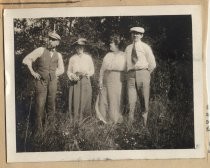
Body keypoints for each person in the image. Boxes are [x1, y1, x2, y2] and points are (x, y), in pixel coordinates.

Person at [22, 31, 64, 136]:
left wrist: (54, 74)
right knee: (40, 105)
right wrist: (33, 72)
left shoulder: (58, 55)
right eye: (49, 39)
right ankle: (38, 132)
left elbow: (62, 69)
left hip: (53, 82)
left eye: (53, 40)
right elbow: (26, 59)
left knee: (51, 105)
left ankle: (50, 130)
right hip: (41, 82)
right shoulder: (40, 50)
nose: (50, 41)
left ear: (57, 43)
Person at [125, 27, 156, 127]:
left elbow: (152, 63)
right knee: (131, 101)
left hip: (143, 74)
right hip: (131, 75)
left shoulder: (145, 47)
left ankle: (144, 125)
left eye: (138, 33)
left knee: (144, 100)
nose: (135, 35)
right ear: (131, 34)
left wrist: (146, 74)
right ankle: (130, 126)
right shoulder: (128, 48)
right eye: (133, 33)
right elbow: (125, 63)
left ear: (142, 35)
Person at [95, 35, 126, 124]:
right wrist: (100, 80)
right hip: (106, 79)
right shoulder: (108, 55)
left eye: (111, 42)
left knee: (115, 99)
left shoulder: (123, 55)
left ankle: (114, 120)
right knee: (103, 98)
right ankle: (103, 119)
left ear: (117, 44)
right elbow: (102, 69)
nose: (110, 44)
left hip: (117, 79)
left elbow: (126, 70)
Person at [67, 38, 95, 123]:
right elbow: (68, 71)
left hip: (85, 80)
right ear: (75, 48)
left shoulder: (88, 58)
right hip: (75, 81)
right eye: (78, 47)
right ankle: (75, 119)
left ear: (84, 48)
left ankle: (84, 119)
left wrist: (88, 73)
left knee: (85, 99)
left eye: (81, 47)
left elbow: (92, 70)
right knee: (76, 99)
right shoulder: (72, 58)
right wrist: (72, 76)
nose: (79, 49)